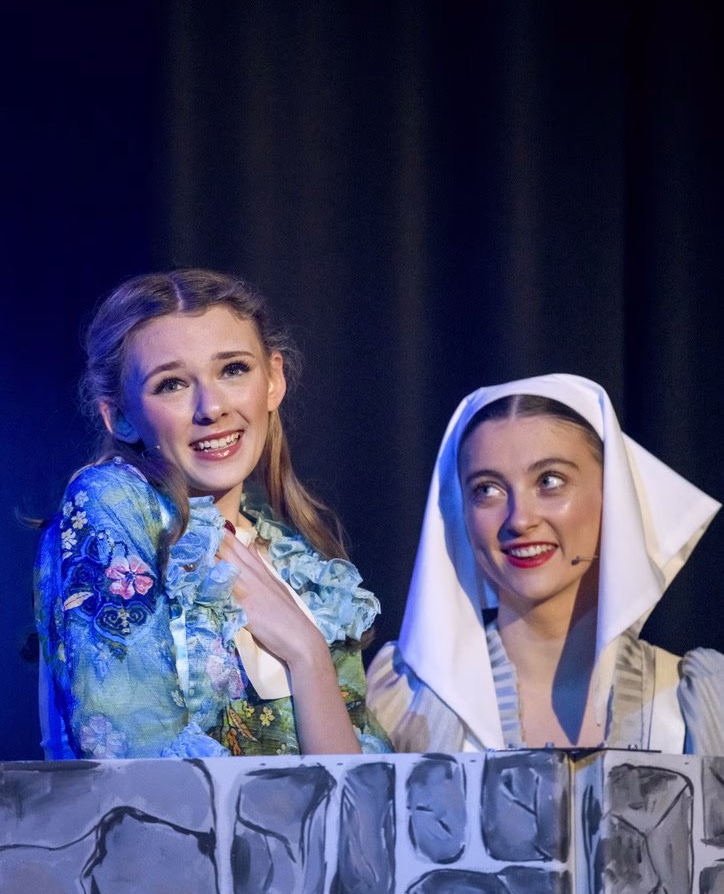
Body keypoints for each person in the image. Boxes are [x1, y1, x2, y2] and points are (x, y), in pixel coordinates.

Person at [35, 269, 388, 759]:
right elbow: (137, 758)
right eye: (171, 384)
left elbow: (358, 786)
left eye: (233, 369)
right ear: (121, 417)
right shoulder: (110, 505)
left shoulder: (300, 559)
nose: (212, 407)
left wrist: (308, 653)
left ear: (274, 379)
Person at [367, 373, 724, 754]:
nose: (520, 519)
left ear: (614, 495)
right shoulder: (404, 700)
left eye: (549, 481)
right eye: (487, 489)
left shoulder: (701, 702)